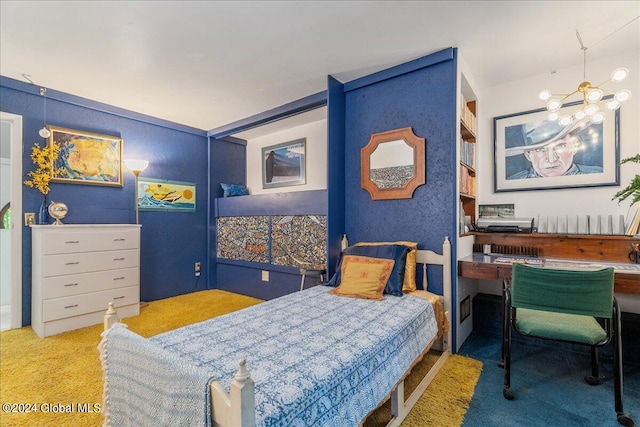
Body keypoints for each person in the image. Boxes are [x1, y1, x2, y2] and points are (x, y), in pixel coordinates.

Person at [506, 118, 603, 179]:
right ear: (528, 155)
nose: (551, 159)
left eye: (560, 146)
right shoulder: (514, 179)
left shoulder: (597, 174)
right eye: (540, 149)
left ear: (574, 145)